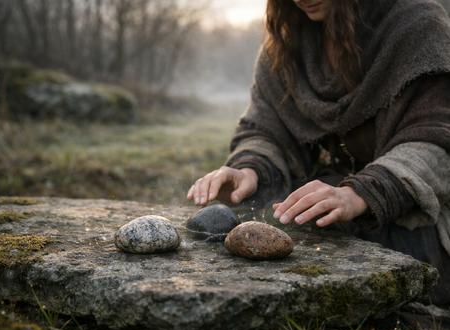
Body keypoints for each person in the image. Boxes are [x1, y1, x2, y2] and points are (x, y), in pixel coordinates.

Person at [187, 0, 450, 307]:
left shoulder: (417, 25)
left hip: (410, 219)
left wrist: (359, 194)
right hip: (322, 216)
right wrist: (250, 168)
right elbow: (265, 127)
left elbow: (437, 138)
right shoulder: (287, 40)